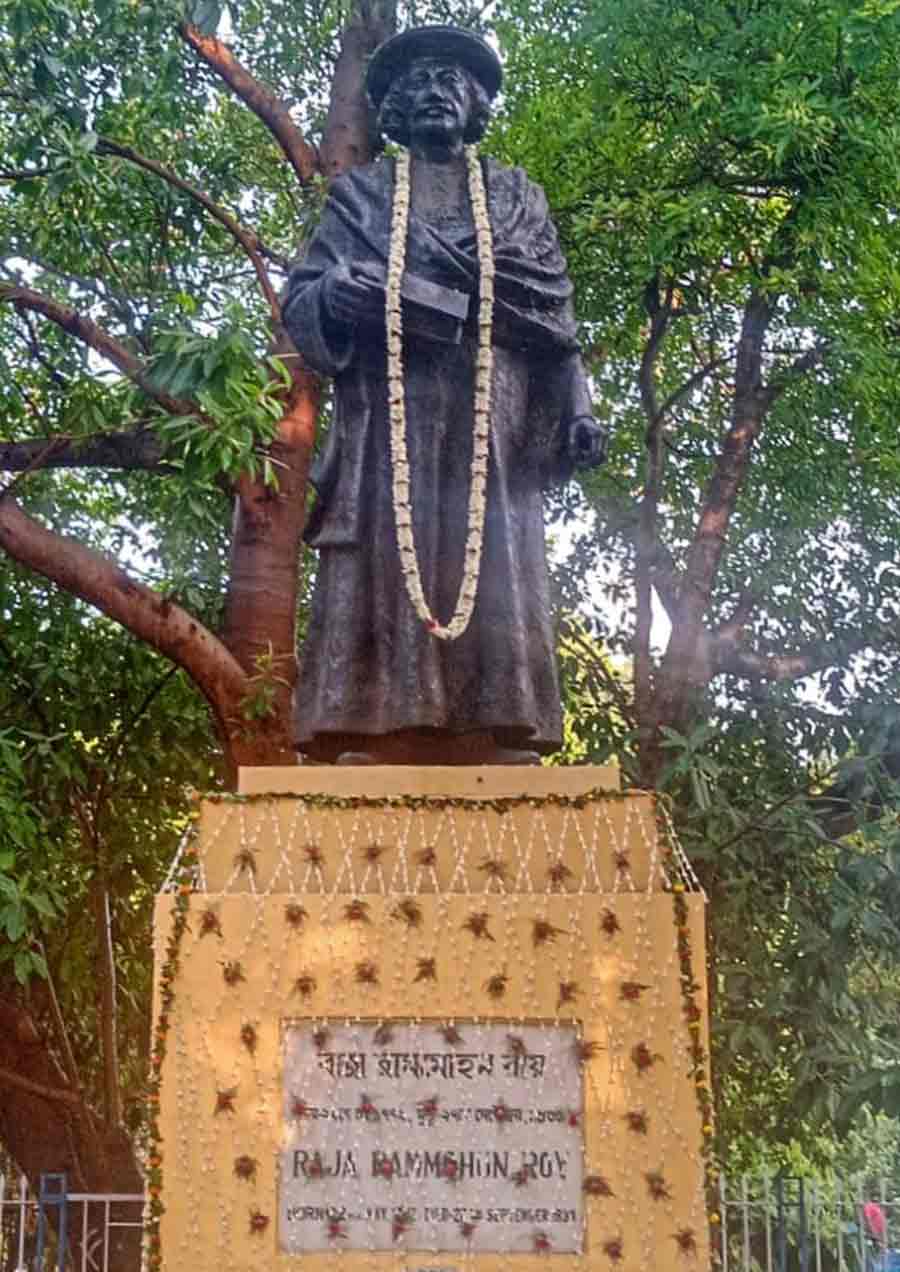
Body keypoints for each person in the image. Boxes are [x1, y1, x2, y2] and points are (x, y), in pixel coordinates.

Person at [283, 25, 607, 765]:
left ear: (475, 104)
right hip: (387, 407)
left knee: (493, 547)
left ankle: (496, 726)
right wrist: (340, 292)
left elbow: (553, 314)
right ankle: (375, 725)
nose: (433, 91)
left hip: (494, 403)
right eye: (417, 82)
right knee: (384, 543)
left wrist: (579, 407)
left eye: (450, 80)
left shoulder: (516, 196)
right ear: (394, 106)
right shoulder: (361, 195)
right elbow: (304, 297)